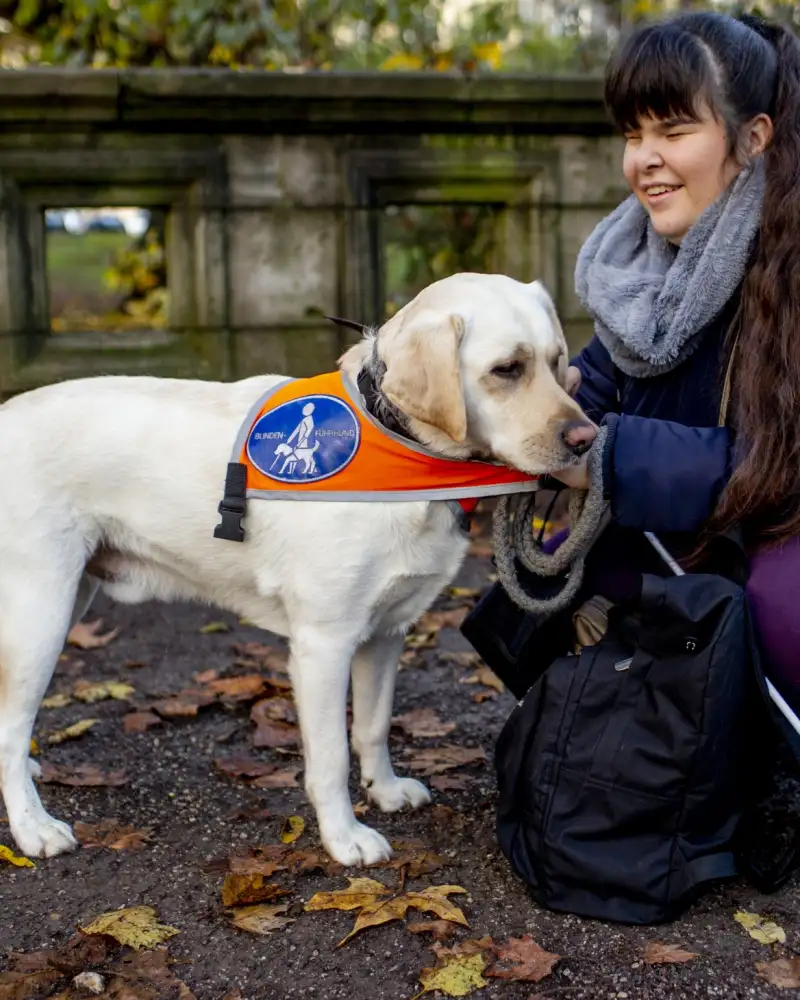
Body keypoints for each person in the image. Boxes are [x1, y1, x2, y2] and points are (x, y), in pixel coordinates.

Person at [546, 9, 800, 712]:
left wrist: (609, 456)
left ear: (753, 137)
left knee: (782, 604)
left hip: (779, 527)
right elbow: (591, 389)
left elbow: (780, 463)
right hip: (697, 525)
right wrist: (524, 407)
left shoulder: (788, 261)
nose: (643, 159)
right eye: (633, 135)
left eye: (674, 131)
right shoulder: (642, 267)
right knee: (548, 577)